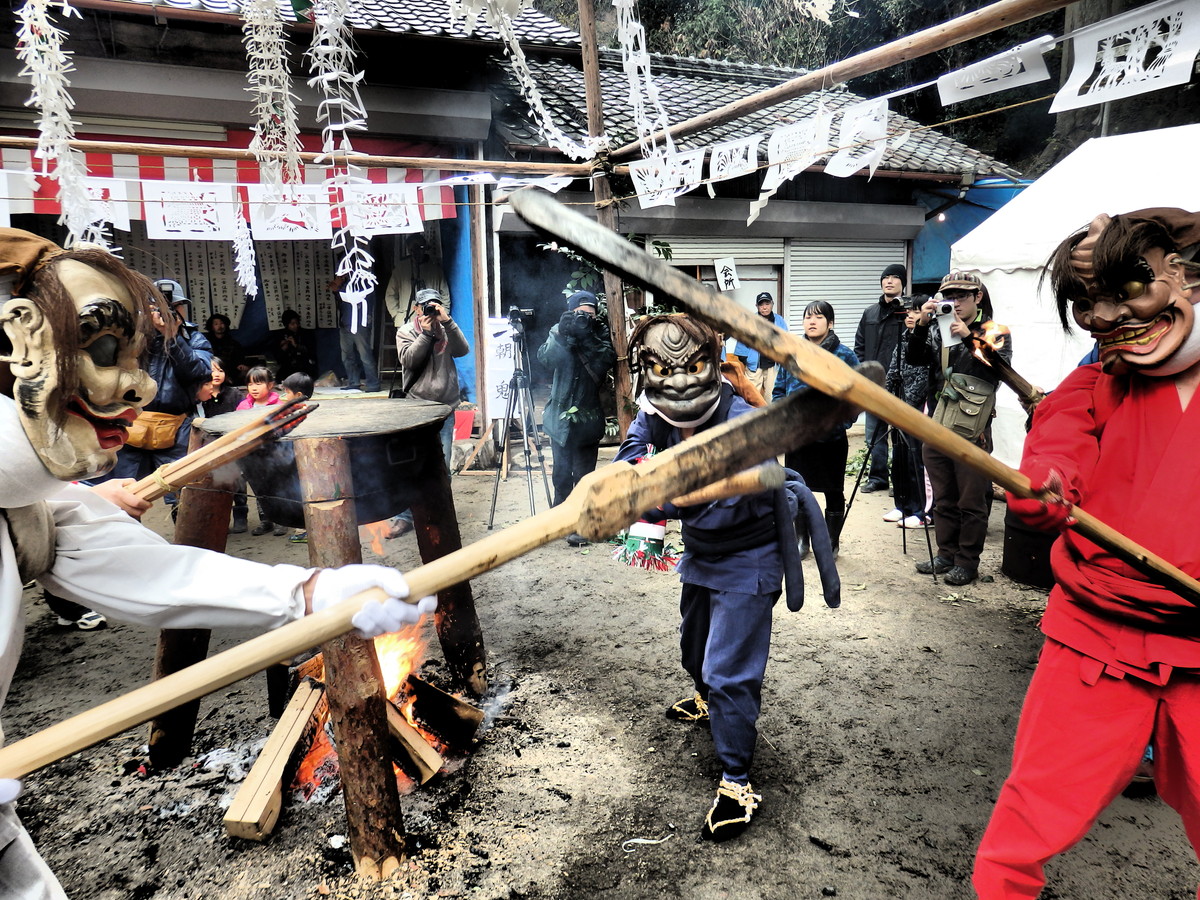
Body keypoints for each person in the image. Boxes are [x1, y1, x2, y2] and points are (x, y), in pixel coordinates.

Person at [0, 227, 434, 898]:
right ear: (14, 340)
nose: (139, 386)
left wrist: (312, 591)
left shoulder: (28, 498)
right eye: (105, 348)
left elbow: (149, 574)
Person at [973, 208, 1200, 898]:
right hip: (1094, 640)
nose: (1105, 318)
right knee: (1022, 833)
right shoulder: (1092, 385)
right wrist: (1044, 490)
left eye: (1127, 289)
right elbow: (1056, 449)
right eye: (1087, 304)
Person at [616, 313, 838, 842]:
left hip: (750, 556)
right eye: (662, 368)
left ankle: (737, 779)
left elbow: (703, 492)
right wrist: (633, 475)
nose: (679, 380)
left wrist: (652, 494)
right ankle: (707, 699)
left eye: (692, 366)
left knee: (727, 672)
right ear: (646, 370)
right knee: (695, 655)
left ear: (712, 365)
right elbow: (632, 452)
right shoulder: (655, 410)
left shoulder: (743, 422)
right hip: (702, 553)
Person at [906, 272, 1010, 587]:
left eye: (962, 296)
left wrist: (968, 336)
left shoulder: (995, 331)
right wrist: (923, 324)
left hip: (972, 429)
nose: (955, 302)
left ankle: (967, 562)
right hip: (938, 423)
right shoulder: (940, 328)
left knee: (972, 500)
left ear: (978, 297)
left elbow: (999, 369)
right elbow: (913, 358)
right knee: (943, 496)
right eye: (949, 297)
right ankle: (946, 554)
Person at [92, 278, 212, 521]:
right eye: (158, 307)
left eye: (174, 307)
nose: (167, 313)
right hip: (131, 425)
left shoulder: (193, 339)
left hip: (176, 427)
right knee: (121, 493)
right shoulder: (129, 337)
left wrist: (172, 337)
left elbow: (198, 372)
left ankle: (188, 544)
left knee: (186, 493)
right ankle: (126, 543)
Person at [772, 300, 859, 556]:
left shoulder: (845, 355)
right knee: (798, 488)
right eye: (808, 317)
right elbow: (779, 390)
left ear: (830, 323)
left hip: (830, 438)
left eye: (819, 317)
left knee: (833, 490)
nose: (812, 321)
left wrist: (840, 423)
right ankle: (802, 540)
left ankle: (831, 542)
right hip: (798, 437)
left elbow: (857, 397)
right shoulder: (792, 353)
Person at [387, 288, 469, 539]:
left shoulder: (446, 327)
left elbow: (462, 350)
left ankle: (438, 514)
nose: (431, 310)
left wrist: (448, 322)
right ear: (416, 308)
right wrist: (425, 334)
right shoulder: (406, 331)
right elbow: (410, 361)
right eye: (426, 307)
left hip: (445, 406)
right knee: (412, 464)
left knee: (441, 465)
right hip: (417, 407)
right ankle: (405, 517)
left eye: (435, 305)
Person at [537, 290, 616, 546]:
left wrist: (589, 337)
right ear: (571, 312)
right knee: (560, 474)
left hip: (588, 419)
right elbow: (545, 360)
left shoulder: (601, 331)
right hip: (560, 418)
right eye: (581, 314)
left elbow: (607, 361)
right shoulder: (560, 329)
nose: (586, 319)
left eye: (590, 315)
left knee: (584, 476)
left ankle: (581, 525)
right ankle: (559, 521)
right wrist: (562, 333)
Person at [854, 263, 910, 493]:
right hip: (874, 384)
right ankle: (877, 478)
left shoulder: (908, 311)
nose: (889, 281)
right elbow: (860, 345)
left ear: (903, 283)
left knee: (900, 436)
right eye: (885, 278)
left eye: (895, 278)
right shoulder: (870, 313)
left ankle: (900, 481)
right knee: (873, 436)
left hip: (901, 385)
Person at [882, 297, 934, 530]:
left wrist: (907, 408)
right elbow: (893, 372)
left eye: (916, 311)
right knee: (899, 458)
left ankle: (921, 510)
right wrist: (888, 402)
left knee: (917, 461)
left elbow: (924, 378)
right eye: (909, 311)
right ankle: (902, 504)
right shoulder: (901, 340)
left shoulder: (930, 339)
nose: (910, 315)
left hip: (918, 410)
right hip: (900, 409)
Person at [201, 357, 249, 534]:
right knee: (214, 485)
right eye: (212, 370)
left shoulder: (234, 394)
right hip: (208, 447)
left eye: (220, 370)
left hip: (232, 445)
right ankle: (219, 519)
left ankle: (241, 517)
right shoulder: (199, 396)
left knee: (238, 482)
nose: (217, 374)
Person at [237, 367, 285, 536]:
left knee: (277, 487)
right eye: (250, 384)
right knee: (259, 489)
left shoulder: (278, 405)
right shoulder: (244, 406)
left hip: (274, 454)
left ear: (270, 384)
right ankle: (266, 521)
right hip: (252, 455)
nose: (254, 388)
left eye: (258, 383)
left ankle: (281, 520)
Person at [383, 232, 451, 328]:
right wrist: (397, 315)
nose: (416, 252)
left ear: (424, 249)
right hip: (406, 321)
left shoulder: (435, 270)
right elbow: (390, 295)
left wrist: (442, 316)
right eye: (412, 249)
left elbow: (445, 295)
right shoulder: (401, 270)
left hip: (431, 320)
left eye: (419, 248)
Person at [732, 292, 787, 401]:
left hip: (773, 365)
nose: (765, 307)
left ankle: (771, 417)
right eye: (761, 304)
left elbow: (785, 341)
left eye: (767, 303)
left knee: (772, 395)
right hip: (754, 366)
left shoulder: (779, 321)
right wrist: (747, 360)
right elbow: (742, 343)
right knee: (752, 395)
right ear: (757, 306)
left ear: (772, 304)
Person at [279, 371, 313, 544]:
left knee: (302, 495)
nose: (284, 396)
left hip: (302, 462)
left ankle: (306, 530)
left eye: (287, 392)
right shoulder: (297, 410)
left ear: (298, 395)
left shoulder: (302, 412)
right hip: (302, 462)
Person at [335, 277, 381, 393]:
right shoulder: (344, 285)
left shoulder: (363, 282)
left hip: (360, 324)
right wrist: (336, 288)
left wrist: (338, 289)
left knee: (365, 355)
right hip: (345, 324)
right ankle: (353, 382)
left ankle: (373, 384)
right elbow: (341, 302)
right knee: (347, 356)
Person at [272, 309, 317, 383]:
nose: (295, 326)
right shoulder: (280, 335)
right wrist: (283, 348)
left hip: (304, 367)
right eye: (292, 324)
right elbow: (277, 356)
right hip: (287, 368)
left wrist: (296, 346)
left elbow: (310, 351)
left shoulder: (306, 334)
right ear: (287, 324)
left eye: (297, 323)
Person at [203, 313, 247, 384]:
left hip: (231, 374)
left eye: (222, 323)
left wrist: (241, 365)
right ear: (212, 327)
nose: (220, 326)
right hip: (212, 373)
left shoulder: (234, 343)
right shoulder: (206, 343)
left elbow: (240, 360)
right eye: (216, 324)